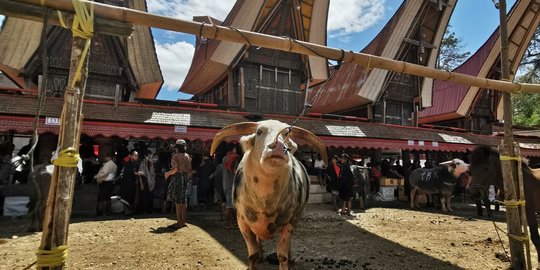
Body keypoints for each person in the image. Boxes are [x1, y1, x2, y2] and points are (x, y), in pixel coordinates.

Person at [164, 139, 192, 229]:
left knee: (177, 201)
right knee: (183, 200)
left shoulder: (175, 156)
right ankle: (183, 221)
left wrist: (167, 174)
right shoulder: (187, 156)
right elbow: (189, 170)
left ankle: (179, 222)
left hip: (177, 179)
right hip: (185, 178)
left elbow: (175, 170)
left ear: (177, 148)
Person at [94, 152, 117, 216]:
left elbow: (104, 173)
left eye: (105, 157)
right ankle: (108, 211)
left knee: (104, 198)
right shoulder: (114, 165)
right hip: (111, 182)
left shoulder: (107, 164)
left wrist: (96, 176)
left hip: (105, 182)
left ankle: (104, 212)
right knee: (108, 198)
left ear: (108, 157)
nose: (104, 158)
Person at [222, 145, 239, 230]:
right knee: (229, 205)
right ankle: (228, 224)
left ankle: (235, 222)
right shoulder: (234, 158)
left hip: (225, 183)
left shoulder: (224, 158)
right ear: (233, 149)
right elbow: (235, 171)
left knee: (231, 204)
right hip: (231, 184)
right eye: (235, 148)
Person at [119, 150, 141, 214]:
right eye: (135, 156)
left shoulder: (136, 163)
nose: (136, 157)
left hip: (132, 183)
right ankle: (126, 212)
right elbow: (129, 172)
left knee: (131, 197)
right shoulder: (127, 163)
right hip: (126, 183)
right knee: (126, 196)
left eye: (137, 156)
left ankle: (130, 211)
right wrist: (136, 173)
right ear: (130, 156)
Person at [138, 149, 156, 214]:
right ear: (146, 156)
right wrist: (141, 184)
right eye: (150, 155)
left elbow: (153, 173)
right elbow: (140, 174)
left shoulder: (151, 163)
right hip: (144, 181)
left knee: (150, 196)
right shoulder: (142, 163)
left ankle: (150, 210)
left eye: (151, 155)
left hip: (151, 182)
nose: (151, 156)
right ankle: (143, 210)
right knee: (144, 197)